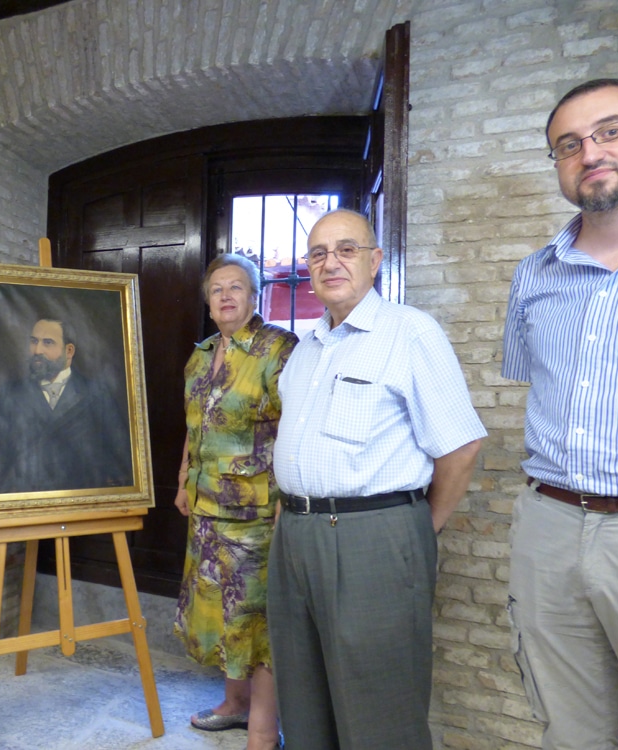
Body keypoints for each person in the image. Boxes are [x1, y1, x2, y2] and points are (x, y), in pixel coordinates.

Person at [269, 209, 486, 749]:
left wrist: (417, 528)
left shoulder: (410, 333)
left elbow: (460, 446)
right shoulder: (305, 348)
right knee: (303, 696)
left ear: (375, 261)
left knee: (379, 709)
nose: (331, 263)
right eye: (318, 254)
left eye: (346, 249)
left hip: (375, 538)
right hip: (294, 535)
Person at [502, 78, 618, 749]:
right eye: (568, 144)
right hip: (549, 526)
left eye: (611, 131)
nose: (590, 152)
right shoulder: (533, 275)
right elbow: (537, 381)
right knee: (569, 733)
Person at [174, 253, 297, 750]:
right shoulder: (201, 354)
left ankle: (263, 729)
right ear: (208, 301)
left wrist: (288, 500)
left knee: (256, 619)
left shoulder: (278, 348)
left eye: (237, 287)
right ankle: (234, 703)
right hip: (205, 506)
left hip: (256, 512)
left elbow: (295, 426)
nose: (226, 296)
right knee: (223, 612)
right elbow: (194, 426)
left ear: (255, 295)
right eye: (217, 289)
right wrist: (182, 478)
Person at [0, 315, 132, 494]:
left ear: (69, 351)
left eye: (48, 343)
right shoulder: (13, 395)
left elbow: (122, 461)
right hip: (28, 503)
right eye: (34, 341)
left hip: (81, 502)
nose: (37, 350)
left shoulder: (96, 395)